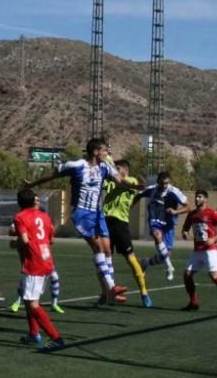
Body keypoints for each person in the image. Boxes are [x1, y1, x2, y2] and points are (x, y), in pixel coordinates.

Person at [25, 137, 130, 306]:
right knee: (97, 248)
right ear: (95, 151)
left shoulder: (105, 167)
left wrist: (136, 187)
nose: (107, 154)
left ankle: (110, 292)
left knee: (107, 250)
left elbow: (119, 180)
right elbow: (53, 175)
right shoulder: (76, 166)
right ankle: (111, 288)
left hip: (98, 213)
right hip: (82, 213)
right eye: (104, 150)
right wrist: (33, 184)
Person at [12, 188, 65, 351]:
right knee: (30, 300)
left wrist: (14, 244)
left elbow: (24, 240)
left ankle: (56, 338)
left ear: (19, 202)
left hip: (34, 263)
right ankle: (34, 334)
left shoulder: (20, 217)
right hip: (46, 260)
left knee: (32, 303)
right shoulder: (45, 216)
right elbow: (51, 240)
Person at [102, 160, 152, 308]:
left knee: (130, 259)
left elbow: (122, 183)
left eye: (117, 169)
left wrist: (109, 164)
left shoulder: (131, 180)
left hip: (120, 224)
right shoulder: (112, 181)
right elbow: (104, 183)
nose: (115, 171)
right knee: (103, 260)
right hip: (105, 222)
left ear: (125, 170)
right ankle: (105, 293)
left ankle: (144, 292)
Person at [181, 190, 217, 314]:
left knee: (214, 276)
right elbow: (185, 228)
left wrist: (214, 239)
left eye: (200, 197)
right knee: (187, 274)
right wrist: (184, 233)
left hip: (210, 250)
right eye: (196, 197)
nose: (197, 199)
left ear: (205, 199)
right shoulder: (192, 214)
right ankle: (193, 302)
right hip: (197, 250)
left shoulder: (212, 213)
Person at [137, 171, 189, 281]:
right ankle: (169, 267)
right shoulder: (152, 189)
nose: (164, 186)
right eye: (162, 183)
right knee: (157, 235)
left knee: (165, 255)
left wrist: (175, 212)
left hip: (169, 224)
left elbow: (187, 207)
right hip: (155, 220)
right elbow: (139, 194)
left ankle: (145, 263)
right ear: (158, 182)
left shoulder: (174, 192)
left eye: (167, 183)